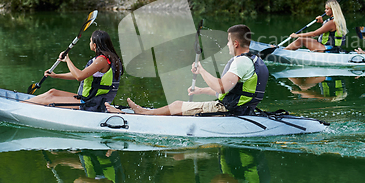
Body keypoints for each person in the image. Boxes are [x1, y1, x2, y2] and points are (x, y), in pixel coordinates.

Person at [105, 24, 269, 116]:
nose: (227, 45)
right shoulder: (254, 60)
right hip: (241, 108)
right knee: (179, 107)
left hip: (228, 110)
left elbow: (221, 87)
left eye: (228, 41)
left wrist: (201, 70)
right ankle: (148, 112)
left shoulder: (241, 62)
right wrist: (200, 90)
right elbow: (233, 92)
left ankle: (143, 113)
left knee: (177, 105)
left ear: (235, 44)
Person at [26, 30, 123, 112]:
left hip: (91, 103)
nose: (89, 43)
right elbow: (80, 74)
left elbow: (79, 76)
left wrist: (68, 60)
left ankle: (21, 106)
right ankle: (23, 104)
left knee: (48, 99)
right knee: (52, 92)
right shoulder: (107, 59)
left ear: (94, 45)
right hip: (88, 99)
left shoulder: (102, 60)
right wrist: (56, 75)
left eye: (90, 41)